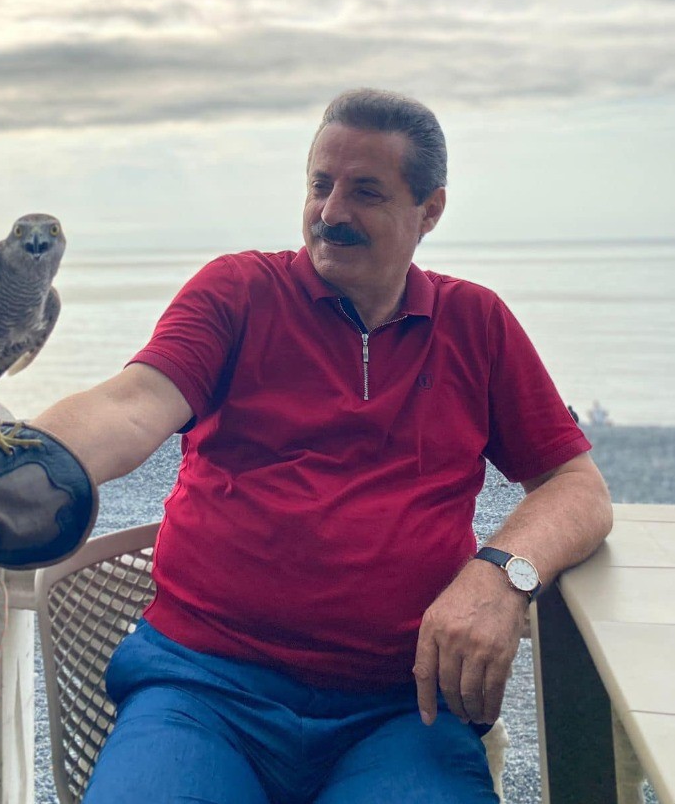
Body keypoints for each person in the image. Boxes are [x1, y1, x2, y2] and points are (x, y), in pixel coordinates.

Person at [33, 88, 613, 804]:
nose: (331, 213)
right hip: (202, 690)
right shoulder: (238, 292)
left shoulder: (475, 323)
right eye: (320, 185)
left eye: (365, 192)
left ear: (429, 210)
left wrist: (498, 575)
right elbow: (130, 405)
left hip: (401, 707)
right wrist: (22, 466)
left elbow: (575, 485)